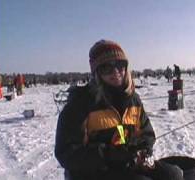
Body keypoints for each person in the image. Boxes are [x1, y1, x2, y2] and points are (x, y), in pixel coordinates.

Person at [54, 40, 184, 180]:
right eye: (107, 68)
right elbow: (66, 153)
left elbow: (147, 134)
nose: (116, 72)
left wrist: (142, 150)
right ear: (97, 72)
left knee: (174, 174)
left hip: (127, 164)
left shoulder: (133, 99)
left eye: (120, 65)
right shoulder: (80, 103)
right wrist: (108, 154)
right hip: (93, 172)